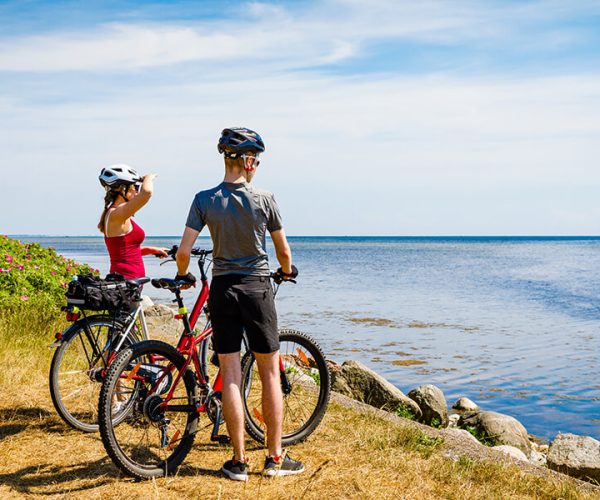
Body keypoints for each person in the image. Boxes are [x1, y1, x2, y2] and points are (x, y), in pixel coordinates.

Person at [175, 128, 303, 481]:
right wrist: (287, 271)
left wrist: (184, 275)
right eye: (256, 160)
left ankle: (238, 462)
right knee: (269, 373)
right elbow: (284, 252)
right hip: (257, 288)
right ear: (247, 160)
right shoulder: (264, 198)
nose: (257, 166)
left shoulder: (203, 199)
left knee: (229, 373)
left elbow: (184, 251)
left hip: (223, 289)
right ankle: (275, 459)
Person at [98, 164, 168, 278]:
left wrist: (153, 250)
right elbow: (147, 193)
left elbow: (126, 253)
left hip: (130, 284)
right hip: (126, 283)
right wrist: (149, 178)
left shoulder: (118, 214)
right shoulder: (116, 214)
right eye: (135, 187)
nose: (137, 191)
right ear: (122, 189)